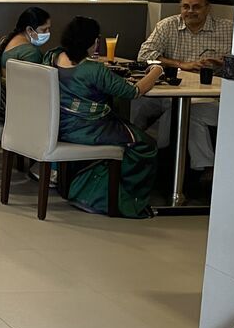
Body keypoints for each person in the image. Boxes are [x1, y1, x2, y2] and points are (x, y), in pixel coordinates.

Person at [46, 16, 162, 217]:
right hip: (88, 129)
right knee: (146, 145)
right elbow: (134, 91)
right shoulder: (94, 70)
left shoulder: (52, 58)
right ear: (92, 42)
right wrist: (156, 71)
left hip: (58, 125)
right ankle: (118, 197)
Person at [132, 0, 229, 187]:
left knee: (184, 112)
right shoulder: (168, 25)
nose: (190, 11)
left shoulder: (228, 29)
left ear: (207, 8)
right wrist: (182, 65)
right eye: (186, 6)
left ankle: (158, 158)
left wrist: (225, 64)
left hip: (208, 96)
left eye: (196, 7)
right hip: (167, 91)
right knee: (136, 102)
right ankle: (132, 148)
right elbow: (144, 55)